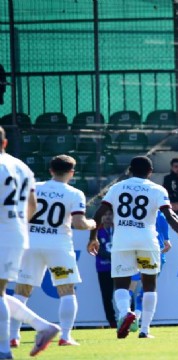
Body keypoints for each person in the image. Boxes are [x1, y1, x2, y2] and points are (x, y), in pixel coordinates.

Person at [87, 156, 178, 340]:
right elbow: (169, 216)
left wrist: (93, 237)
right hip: (147, 241)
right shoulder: (157, 189)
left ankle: (124, 313)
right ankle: (145, 330)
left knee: (121, 283)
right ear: (150, 172)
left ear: (130, 170)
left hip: (122, 241)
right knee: (149, 285)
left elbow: (99, 213)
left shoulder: (117, 187)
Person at [10, 155, 97, 347]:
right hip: (58, 246)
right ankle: (65, 336)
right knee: (66, 291)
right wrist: (93, 224)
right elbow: (79, 224)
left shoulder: (35, 187)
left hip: (30, 244)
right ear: (72, 173)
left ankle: (13, 336)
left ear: (51, 170)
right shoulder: (74, 193)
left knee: (21, 291)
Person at [0, 126, 61, 359]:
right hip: (16, 232)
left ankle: (4, 350)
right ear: (5, 143)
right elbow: (32, 205)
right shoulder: (22, 166)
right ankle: (43, 326)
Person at [129, 210, 171, 333]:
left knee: (132, 285)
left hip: (138, 252)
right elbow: (167, 243)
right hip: (155, 255)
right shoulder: (160, 215)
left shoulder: (136, 213)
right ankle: (142, 326)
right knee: (148, 289)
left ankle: (126, 313)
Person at [96, 209, 117, 329]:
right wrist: (114, 256)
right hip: (103, 267)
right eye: (105, 214)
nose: (108, 217)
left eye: (110, 214)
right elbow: (98, 250)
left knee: (125, 292)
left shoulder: (119, 229)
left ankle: (129, 318)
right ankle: (112, 322)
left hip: (120, 267)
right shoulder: (98, 231)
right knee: (107, 296)